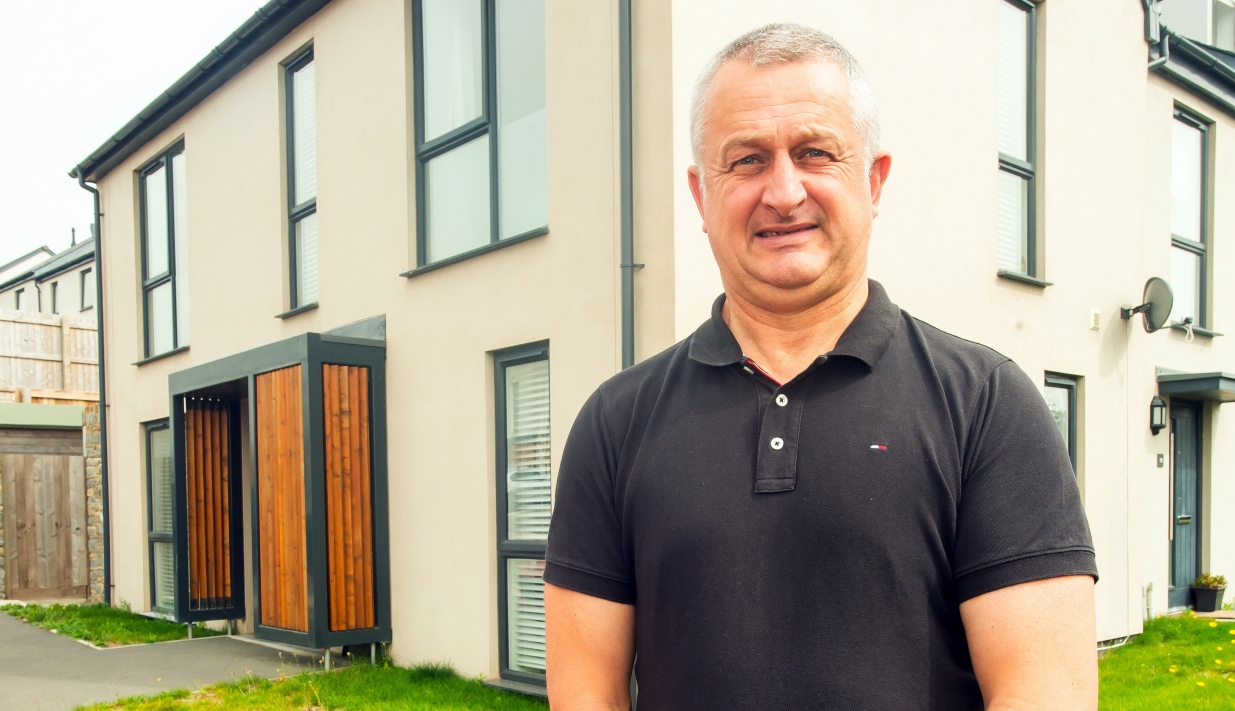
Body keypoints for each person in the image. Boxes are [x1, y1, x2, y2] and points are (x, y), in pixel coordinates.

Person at [543, 22, 1098, 711]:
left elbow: (1043, 694)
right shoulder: (614, 421)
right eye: (745, 159)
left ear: (873, 180)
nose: (782, 191)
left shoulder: (985, 404)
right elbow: (584, 694)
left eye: (813, 152)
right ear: (699, 196)